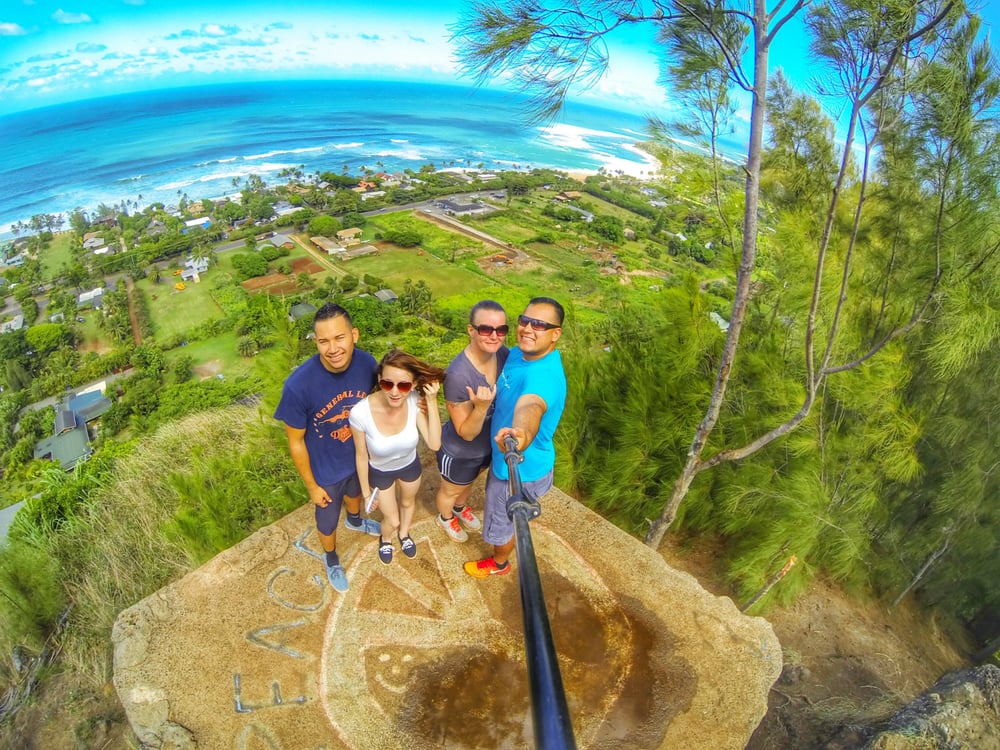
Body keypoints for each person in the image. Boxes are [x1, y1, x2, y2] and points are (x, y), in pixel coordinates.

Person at [273, 303, 381, 595]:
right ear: (316, 342)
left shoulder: (368, 364)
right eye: (323, 341)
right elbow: (295, 440)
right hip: (325, 471)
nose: (332, 348)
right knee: (327, 519)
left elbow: (377, 403)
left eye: (339, 338)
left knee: (356, 493)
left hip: (358, 457)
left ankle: (356, 521)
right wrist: (311, 485)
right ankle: (331, 557)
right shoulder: (298, 385)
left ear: (354, 335)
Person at [464, 297, 567, 578]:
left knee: (500, 522)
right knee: (507, 516)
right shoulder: (521, 354)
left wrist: (521, 432)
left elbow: (531, 405)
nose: (528, 328)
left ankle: (499, 562)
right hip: (531, 463)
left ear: (555, 334)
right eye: (524, 321)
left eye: (540, 325)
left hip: (517, 470)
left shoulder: (544, 376)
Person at [349, 349, 446, 565]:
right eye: (387, 384)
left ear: (412, 385)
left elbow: (434, 443)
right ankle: (387, 538)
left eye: (403, 385)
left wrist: (431, 401)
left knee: (408, 503)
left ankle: (404, 534)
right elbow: (361, 455)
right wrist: (366, 493)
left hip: (409, 466)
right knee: (391, 520)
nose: (394, 392)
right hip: (380, 471)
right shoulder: (360, 413)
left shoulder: (413, 401)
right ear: (379, 380)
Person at [434, 300, 510, 543]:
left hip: (487, 446)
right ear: (471, 330)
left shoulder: (502, 354)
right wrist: (482, 407)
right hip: (461, 451)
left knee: (468, 483)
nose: (494, 336)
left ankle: (459, 508)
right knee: (450, 489)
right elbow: (465, 432)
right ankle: (445, 517)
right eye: (486, 330)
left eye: (501, 330)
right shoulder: (458, 375)